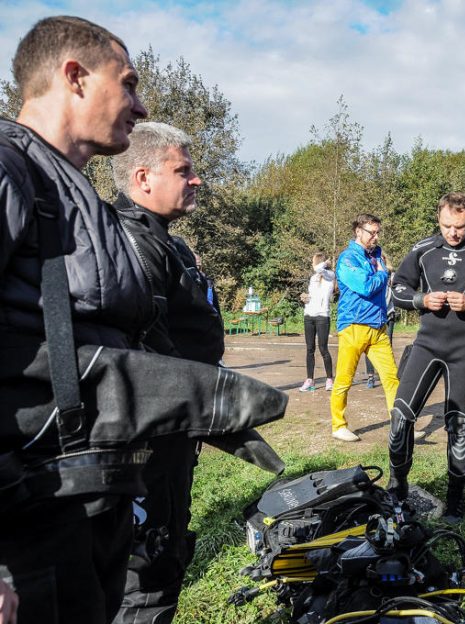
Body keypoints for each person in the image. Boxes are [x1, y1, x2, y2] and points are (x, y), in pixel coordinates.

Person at [0, 17, 151, 623]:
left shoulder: (76, 190)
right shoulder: (10, 169)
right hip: (23, 525)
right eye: (129, 83)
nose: (140, 106)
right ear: (76, 77)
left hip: (86, 503)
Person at [111, 121, 226, 623]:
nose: (197, 179)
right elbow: (143, 353)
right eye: (184, 170)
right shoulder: (132, 244)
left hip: (176, 433)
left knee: (168, 551)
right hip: (144, 444)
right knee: (148, 571)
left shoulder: (166, 241)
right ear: (143, 177)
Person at [387, 192, 465, 522]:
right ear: (439, 219)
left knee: (457, 425)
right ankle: (397, 488)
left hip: (464, 350)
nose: (453, 233)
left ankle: (455, 501)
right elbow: (398, 288)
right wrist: (421, 300)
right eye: (447, 226)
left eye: (459, 227)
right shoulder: (423, 249)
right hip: (426, 346)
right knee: (401, 417)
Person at [330, 214, 400, 442]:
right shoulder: (347, 258)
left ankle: (400, 424)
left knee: (391, 377)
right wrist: (382, 272)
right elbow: (365, 286)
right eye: (372, 232)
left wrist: (380, 270)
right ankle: (338, 425)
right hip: (354, 326)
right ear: (358, 231)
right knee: (344, 379)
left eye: (378, 232)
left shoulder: (376, 255)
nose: (376, 237)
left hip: (378, 326)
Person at [299, 252, 335, 392]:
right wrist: (305, 298)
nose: (312, 264)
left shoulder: (329, 276)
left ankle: (329, 379)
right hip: (309, 315)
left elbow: (319, 269)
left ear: (320, 262)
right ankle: (310, 380)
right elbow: (313, 295)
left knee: (323, 348)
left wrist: (326, 263)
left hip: (322, 316)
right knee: (309, 349)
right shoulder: (313, 278)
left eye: (313, 261)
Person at [364, 256, 396, 389]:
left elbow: (398, 291)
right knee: (369, 345)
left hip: (389, 313)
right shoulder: (370, 274)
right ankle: (371, 376)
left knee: (387, 345)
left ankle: (388, 376)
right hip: (374, 314)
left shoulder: (391, 274)